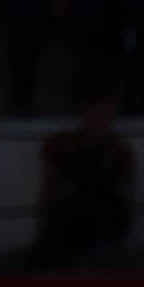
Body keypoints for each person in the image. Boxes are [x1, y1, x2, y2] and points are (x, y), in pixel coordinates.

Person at [30, 64, 134, 268]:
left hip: (104, 228)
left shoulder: (119, 149)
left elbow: (126, 200)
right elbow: (48, 195)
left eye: (110, 109)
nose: (106, 117)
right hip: (70, 226)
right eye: (101, 108)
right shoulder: (61, 145)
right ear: (82, 108)